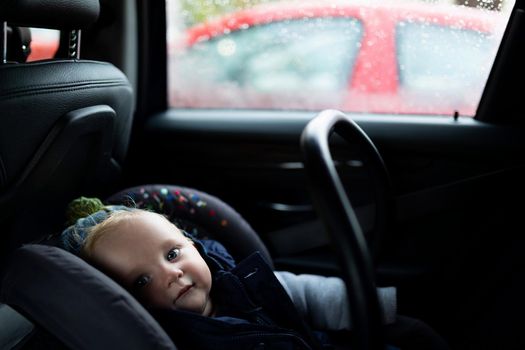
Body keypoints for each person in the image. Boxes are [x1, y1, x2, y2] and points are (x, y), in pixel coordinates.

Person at [59, 197, 447, 350]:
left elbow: (300, 293)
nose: (171, 274)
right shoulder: (169, 339)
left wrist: (376, 306)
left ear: (192, 243)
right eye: (141, 280)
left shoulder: (232, 275)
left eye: (173, 253)